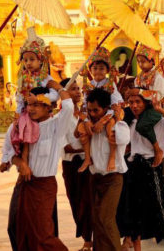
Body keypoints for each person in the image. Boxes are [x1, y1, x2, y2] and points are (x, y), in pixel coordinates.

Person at [2, 81, 73, 251]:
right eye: (28, 105)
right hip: (24, 185)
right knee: (19, 229)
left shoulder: (56, 126)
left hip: (44, 186)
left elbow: (69, 106)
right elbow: (9, 153)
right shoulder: (19, 126)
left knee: (43, 233)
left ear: (49, 107)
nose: (31, 109)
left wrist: (57, 87)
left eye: (36, 105)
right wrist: (21, 164)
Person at [125, 87, 164, 251]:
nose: (134, 105)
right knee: (135, 205)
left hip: (153, 164)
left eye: (138, 102)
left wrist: (160, 109)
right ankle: (136, 245)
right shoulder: (131, 122)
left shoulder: (158, 119)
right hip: (135, 165)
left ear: (145, 103)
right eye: (131, 102)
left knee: (159, 202)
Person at [83, 88, 130, 251]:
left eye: (96, 110)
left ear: (105, 109)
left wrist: (111, 120)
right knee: (97, 219)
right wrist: (87, 122)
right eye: (90, 110)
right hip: (95, 177)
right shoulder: (90, 126)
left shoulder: (119, 125)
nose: (93, 113)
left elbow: (122, 139)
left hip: (113, 178)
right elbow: (76, 136)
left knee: (106, 217)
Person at [11, 27, 59, 169]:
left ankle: (30, 164)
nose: (28, 63)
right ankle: (16, 161)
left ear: (41, 61)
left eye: (32, 59)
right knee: (13, 132)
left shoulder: (46, 78)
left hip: (42, 115)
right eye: (25, 60)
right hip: (27, 114)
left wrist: (38, 99)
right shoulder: (23, 79)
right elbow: (20, 99)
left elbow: (55, 95)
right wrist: (17, 115)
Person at [60, 78, 92, 251]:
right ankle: (86, 237)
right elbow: (66, 146)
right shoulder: (60, 117)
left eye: (78, 88)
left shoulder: (87, 113)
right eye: (73, 89)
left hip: (88, 162)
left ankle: (89, 239)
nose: (78, 92)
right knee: (76, 200)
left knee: (88, 200)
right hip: (71, 164)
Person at [79, 46, 123, 173]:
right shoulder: (89, 85)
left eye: (102, 68)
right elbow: (85, 105)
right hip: (93, 114)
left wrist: (102, 121)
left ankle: (112, 157)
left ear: (107, 70)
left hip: (111, 113)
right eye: (95, 68)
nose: (98, 71)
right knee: (81, 129)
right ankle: (87, 158)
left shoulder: (110, 83)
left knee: (110, 129)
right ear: (90, 70)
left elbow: (115, 105)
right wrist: (87, 121)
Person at [134, 44, 164, 167]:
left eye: (143, 61)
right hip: (140, 108)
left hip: (156, 108)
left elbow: (158, 96)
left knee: (141, 125)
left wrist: (140, 92)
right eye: (138, 62)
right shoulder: (138, 78)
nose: (140, 64)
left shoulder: (158, 78)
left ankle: (157, 149)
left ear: (152, 61)